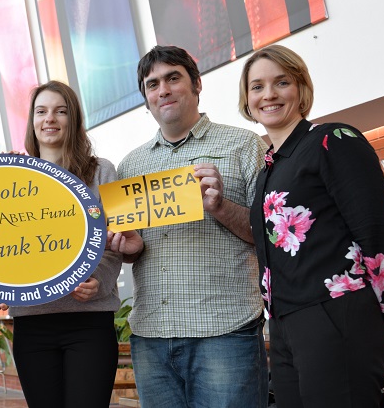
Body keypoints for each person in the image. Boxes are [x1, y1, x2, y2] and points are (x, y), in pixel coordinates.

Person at [108, 45, 269, 408]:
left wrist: (219, 206)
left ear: (196, 84)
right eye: (152, 84)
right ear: (146, 99)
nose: (162, 89)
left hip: (224, 332)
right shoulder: (130, 166)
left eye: (173, 78)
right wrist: (131, 249)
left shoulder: (243, 145)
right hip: (152, 335)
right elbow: (134, 249)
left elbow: (269, 235)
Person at [239, 44, 384, 407]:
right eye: (257, 87)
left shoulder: (332, 140)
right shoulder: (267, 169)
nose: (269, 95)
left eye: (281, 82)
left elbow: (376, 230)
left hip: (337, 310)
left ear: (301, 88)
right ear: (247, 100)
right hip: (283, 325)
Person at [5, 80, 124, 408]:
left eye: (61, 111)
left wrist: (98, 281)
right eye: (41, 111)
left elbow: (118, 242)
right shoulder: (12, 181)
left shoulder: (103, 172)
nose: (50, 119)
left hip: (89, 322)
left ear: (74, 119)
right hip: (32, 322)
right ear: (31, 121)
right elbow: (2, 244)